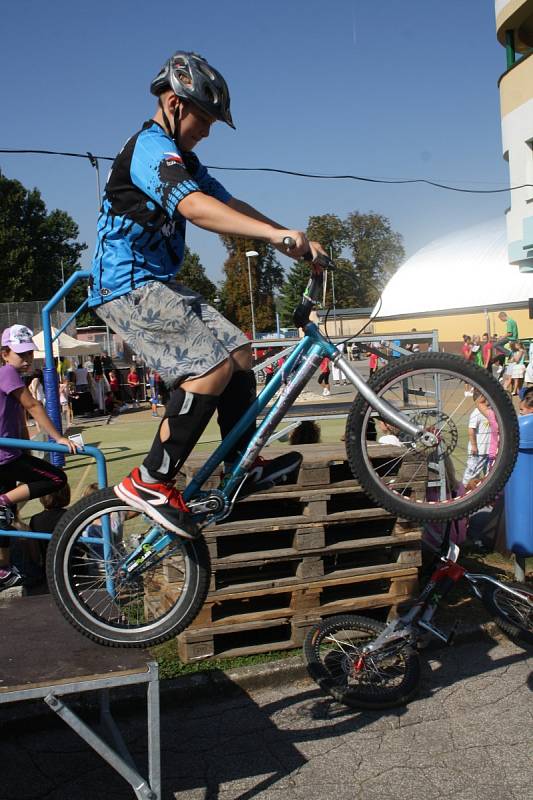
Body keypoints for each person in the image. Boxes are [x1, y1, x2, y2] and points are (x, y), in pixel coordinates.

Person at [88, 50, 326, 536]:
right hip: (125, 284)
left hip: (156, 281)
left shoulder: (184, 159)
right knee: (208, 366)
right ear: (175, 103)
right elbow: (196, 209)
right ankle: (150, 481)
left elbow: (226, 202)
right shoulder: (151, 150)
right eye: (205, 118)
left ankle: (242, 463)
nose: (209, 130)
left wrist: (290, 238)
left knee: (238, 352)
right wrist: (272, 238)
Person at [0, 325, 78, 590]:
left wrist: (26, 447)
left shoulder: (9, 375)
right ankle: (2, 501)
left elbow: (18, 419)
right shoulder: (7, 373)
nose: (27, 359)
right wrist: (58, 438)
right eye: (21, 354)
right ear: (5, 353)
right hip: (5, 457)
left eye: (29, 354)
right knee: (56, 478)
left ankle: (3, 569)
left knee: (6, 518)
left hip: (9, 453)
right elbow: (33, 406)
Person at [29, 481, 71, 580]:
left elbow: (36, 551)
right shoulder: (70, 516)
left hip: (49, 570)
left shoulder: (35, 519)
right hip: (73, 568)